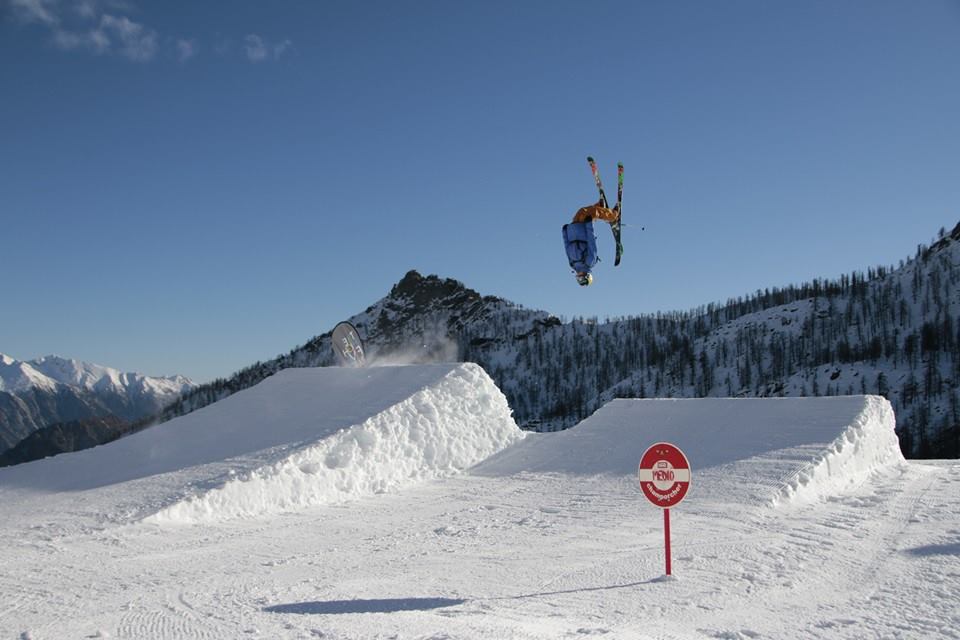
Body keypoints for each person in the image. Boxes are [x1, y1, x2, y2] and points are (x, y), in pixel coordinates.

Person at [562, 198, 620, 286]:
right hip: (582, 230)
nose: (579, 277)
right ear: (587, 276)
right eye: (581, 279)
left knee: (583, 211)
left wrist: (564, 233)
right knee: (588, 212)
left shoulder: (572, 264)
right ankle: (613, 216)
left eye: (578, 280)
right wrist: (589, 225)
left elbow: (567, 247)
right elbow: (591, 241)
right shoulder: (589, 262)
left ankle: (600, 206)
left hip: (572, 229)